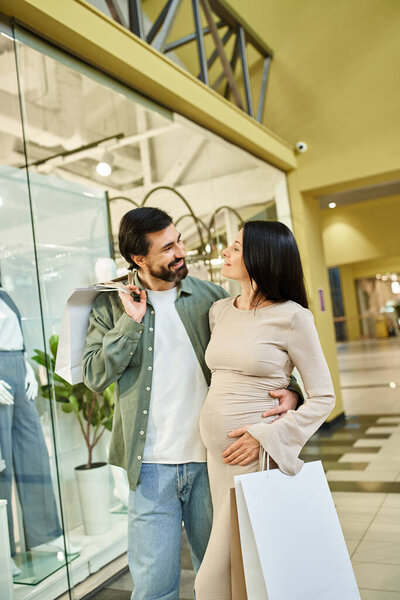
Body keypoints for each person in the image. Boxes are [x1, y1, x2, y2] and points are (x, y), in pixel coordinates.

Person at [82, 207, 303, 600]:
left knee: (221, 578)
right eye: (168, 248)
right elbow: (95, 376)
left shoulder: (211, 298)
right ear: (139, 259)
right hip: (149, 469)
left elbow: (263, 347)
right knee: (153, 589)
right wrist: (129, 323)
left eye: (179, 239)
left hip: (213, 462)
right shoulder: (109, 305)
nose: (181, 251)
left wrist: (293, 390)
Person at [194, 221, 336, 600]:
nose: (225, 251)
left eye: (236, 247)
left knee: (210, 582)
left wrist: (267, 436)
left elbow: (323, 397)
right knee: (246, 570)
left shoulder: (293, 317)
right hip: (217, 457)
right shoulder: (220, 311)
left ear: (261, 256)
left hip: (252, 457)